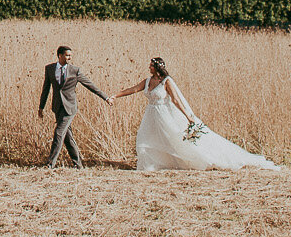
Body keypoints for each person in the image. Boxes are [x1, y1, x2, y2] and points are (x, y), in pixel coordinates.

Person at [112, 56, 279, 172]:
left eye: (150, 65)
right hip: (151, 115)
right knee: (145, 138)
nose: (148, 67)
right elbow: (133, 89)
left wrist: (188, 117)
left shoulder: (166, 82)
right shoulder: (147, 81)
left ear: (157, 68)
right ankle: (151, 164)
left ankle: (195, 159)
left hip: (166, 115)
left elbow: (176, 100)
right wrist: (115, 95)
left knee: (174, 139)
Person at [37, 45, 110, 168]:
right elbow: (46, 89)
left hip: (70, 107)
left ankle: (50, 164)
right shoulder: (49, 69)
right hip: (57, 106)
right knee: (66, 136)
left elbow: (90, 85)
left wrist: (106, 97)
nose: (70, 57)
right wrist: (41, 107)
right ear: (60, 55)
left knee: (59, 133)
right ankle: (78, 164)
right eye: (67, 55)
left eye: (70, 55)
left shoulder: (75, 70)